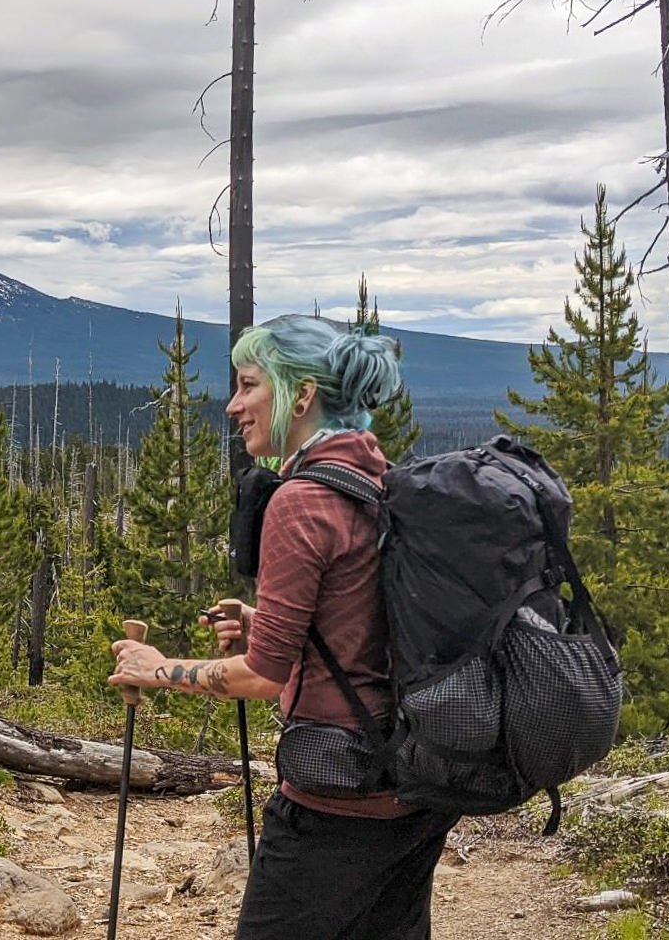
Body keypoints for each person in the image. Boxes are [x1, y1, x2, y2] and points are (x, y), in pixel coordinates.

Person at [109, 315, 458, 940]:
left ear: (300, 395)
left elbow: (264, 675)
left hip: (338, 796)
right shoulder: (376, 477)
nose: (233, 405)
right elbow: (364, 616)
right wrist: (265, 620)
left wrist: (155, 668)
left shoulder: (300, 500)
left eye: (249, 385)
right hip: (415, 783)